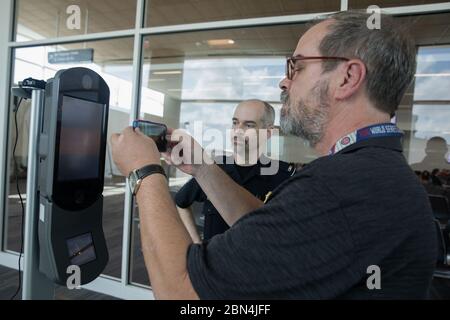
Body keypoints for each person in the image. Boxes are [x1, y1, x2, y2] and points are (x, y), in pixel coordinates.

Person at [111, 10, 437, 299]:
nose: (284, 81)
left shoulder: (340, 188)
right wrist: (203, 168)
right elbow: (269, 229)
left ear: (347, 78)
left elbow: (179, 293)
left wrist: (144, 172)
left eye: (296, 66)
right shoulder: (375, 174)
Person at [175, 99, 296, 243]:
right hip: (214, 264)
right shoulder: (213, 168)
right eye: (235, 122)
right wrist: (197, 243)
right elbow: (181, 202)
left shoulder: (283, 177)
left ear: (268, 133)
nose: (237, 130)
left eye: (248, 125)